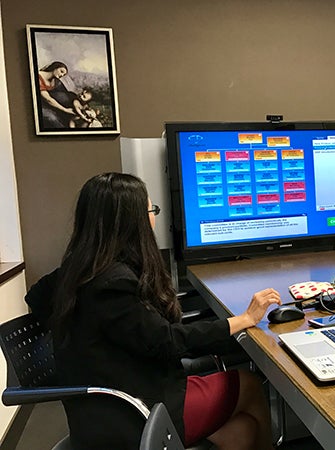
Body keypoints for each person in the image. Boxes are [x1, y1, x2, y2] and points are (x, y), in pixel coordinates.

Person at [25, 172, 281, 449]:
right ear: (132, 221)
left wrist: (87, 347)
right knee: (250, 385)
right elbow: (167, 341)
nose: (153, 217)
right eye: (150, 210)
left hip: (99, 407)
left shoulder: (80, 268)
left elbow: (36, 298)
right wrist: (244, 319)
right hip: (136, 409)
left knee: (243, 430)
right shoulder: (112, 283)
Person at [37, 61, 76, 128]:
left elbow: (67, 94)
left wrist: (77, 102)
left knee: (65, 98)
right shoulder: (38, 77)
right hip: (41, 104)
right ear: (55, 67)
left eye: (64, 75)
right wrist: (65, 110)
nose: (61, 75)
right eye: (61, 71)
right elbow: (48, 99)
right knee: (52, 118)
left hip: (50, 102)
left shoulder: (55, 81)